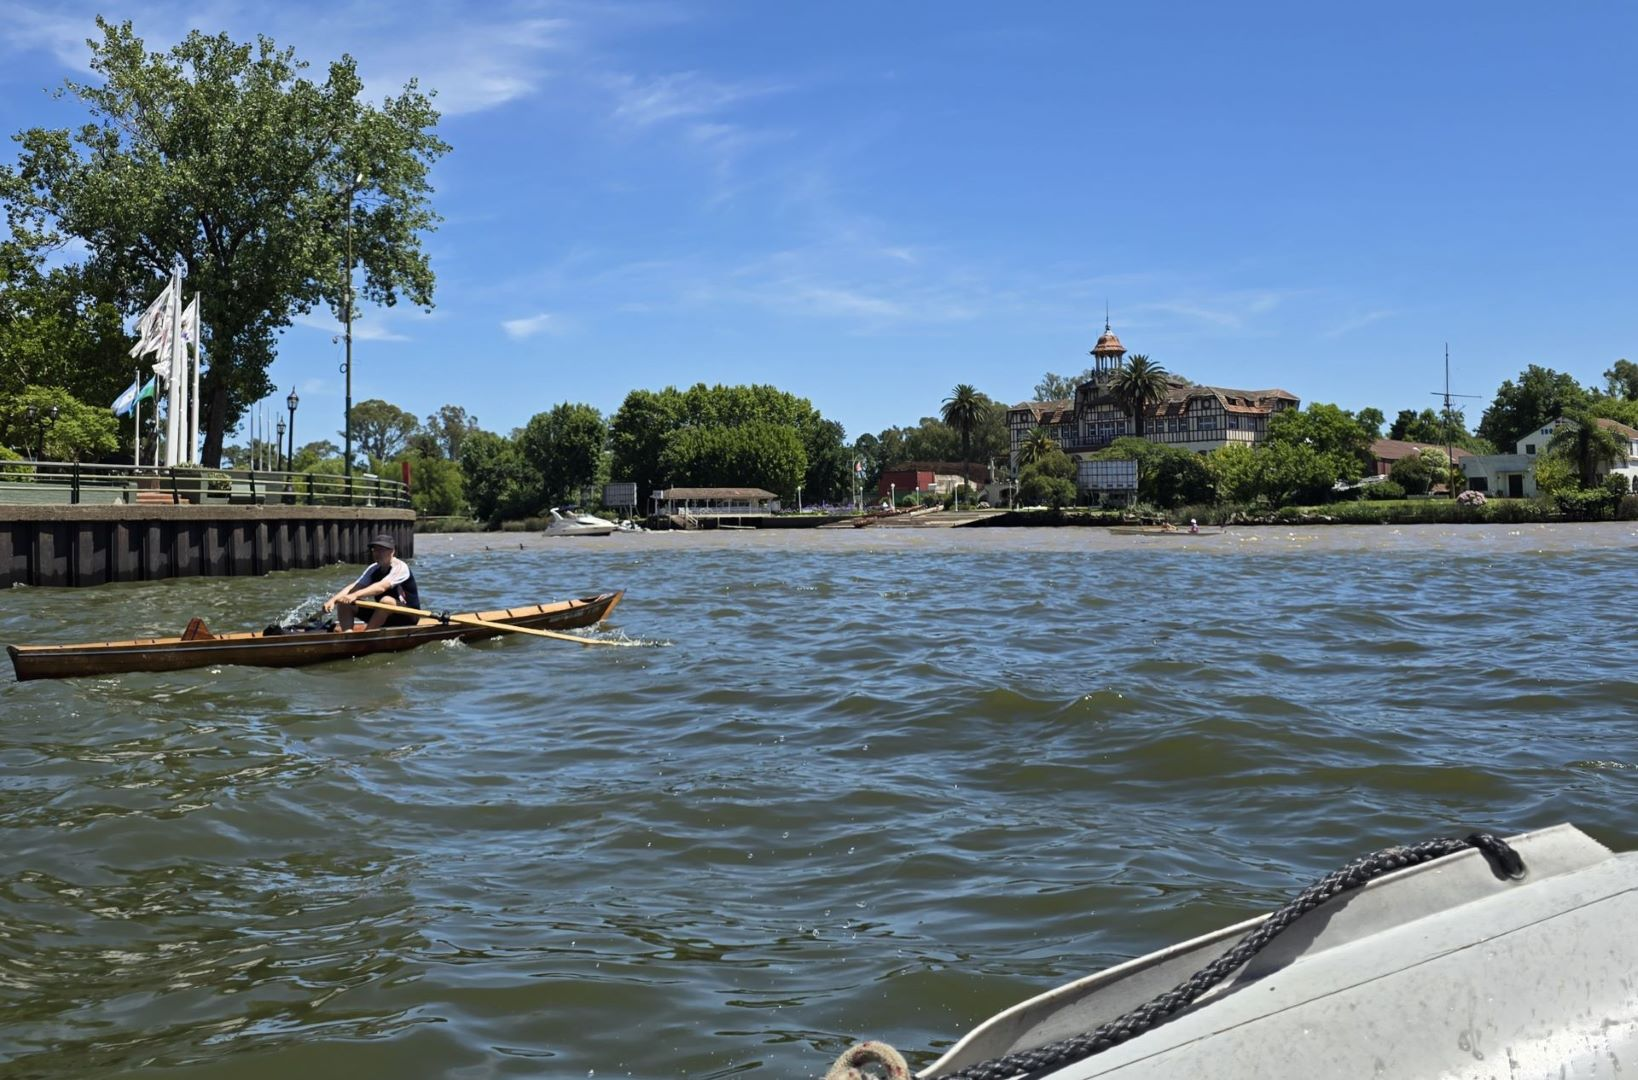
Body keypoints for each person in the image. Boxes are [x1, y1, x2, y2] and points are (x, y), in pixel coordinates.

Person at [323, 533, 420, 631]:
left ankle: (367, 634)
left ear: (392, 551)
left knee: (386, 600)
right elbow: (355, 586)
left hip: (407, 616)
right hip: (384, 613)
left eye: (381, 550)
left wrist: (355, 595)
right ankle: (348, 635)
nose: (377, 553)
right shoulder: (373, 568)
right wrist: (333, 600)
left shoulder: (400, 567)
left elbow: (381, 587)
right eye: (375, 550)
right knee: (344, 601)